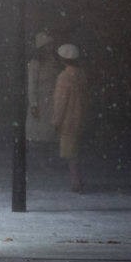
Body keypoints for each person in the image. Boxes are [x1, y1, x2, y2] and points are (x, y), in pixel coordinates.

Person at [53, 43, 88, 193]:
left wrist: (56, 120)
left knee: (70, 153)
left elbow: (61, 101)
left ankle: (75, 181)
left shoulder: (64, 76)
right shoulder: (82, 75)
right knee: (77, 151)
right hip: (80, 117)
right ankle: (79, 179)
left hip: (68, 119)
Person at [27, 30, 59, 165]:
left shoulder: (53, 61)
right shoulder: (35, 63)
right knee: (38, 134)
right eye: (48, 45)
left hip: (52, 101)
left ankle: (49, 161)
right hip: (40, 101)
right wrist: (34, 104)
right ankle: (42, 162)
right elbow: (32, 85)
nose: (50, 48)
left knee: (50, 134)